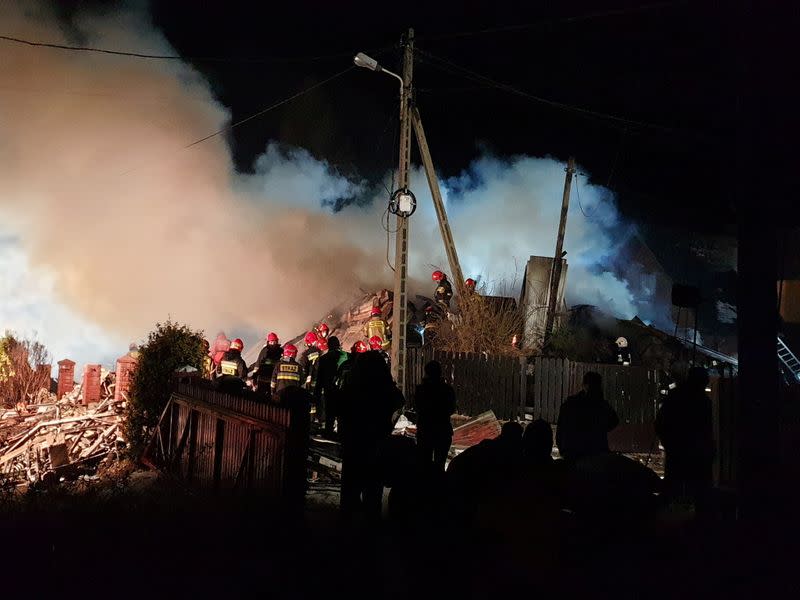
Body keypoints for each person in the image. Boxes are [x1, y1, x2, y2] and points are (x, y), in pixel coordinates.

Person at [339, 350, 404, 520]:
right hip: (376, 443)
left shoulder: (352, 383)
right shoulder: (383, 384)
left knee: (349, 489)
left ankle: (345, 528)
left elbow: (340, 408)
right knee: (373, 489)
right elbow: (399, 400)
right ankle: (370, 529)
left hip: (353, 443)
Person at [655, 366, 714, 510]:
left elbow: (660, 422)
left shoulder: (676, 396)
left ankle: (666, 513)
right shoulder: (702, 401)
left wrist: (667, 441)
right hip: (692, 450)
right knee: (696, 487)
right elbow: (706, 428)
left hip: (680, 448)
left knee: (674, 484)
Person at [555, 372, 619, 461]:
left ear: (584, 385)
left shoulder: (570, 404)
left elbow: (560, 431)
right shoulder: (601, 406)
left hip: (573, 455)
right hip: (595, 454)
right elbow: (614, 421)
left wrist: (564, 451)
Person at [413, 360, 456, 472]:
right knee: (440, 465)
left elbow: (418, 407)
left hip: (425, 430)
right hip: (442, 430)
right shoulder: (447, 389)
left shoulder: (421, 390)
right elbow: (451, 409)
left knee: (424, 464)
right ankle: (437, 487)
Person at [315, 336, 349, 437]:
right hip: (343, 391)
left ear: (328, 345)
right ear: (338, 345)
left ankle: (329, 434)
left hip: (329, 391)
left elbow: (319, 379)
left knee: (329, 414)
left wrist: (316, 393)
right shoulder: (347, 356)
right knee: (341, 414)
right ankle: (341, 435)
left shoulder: (323, 359)